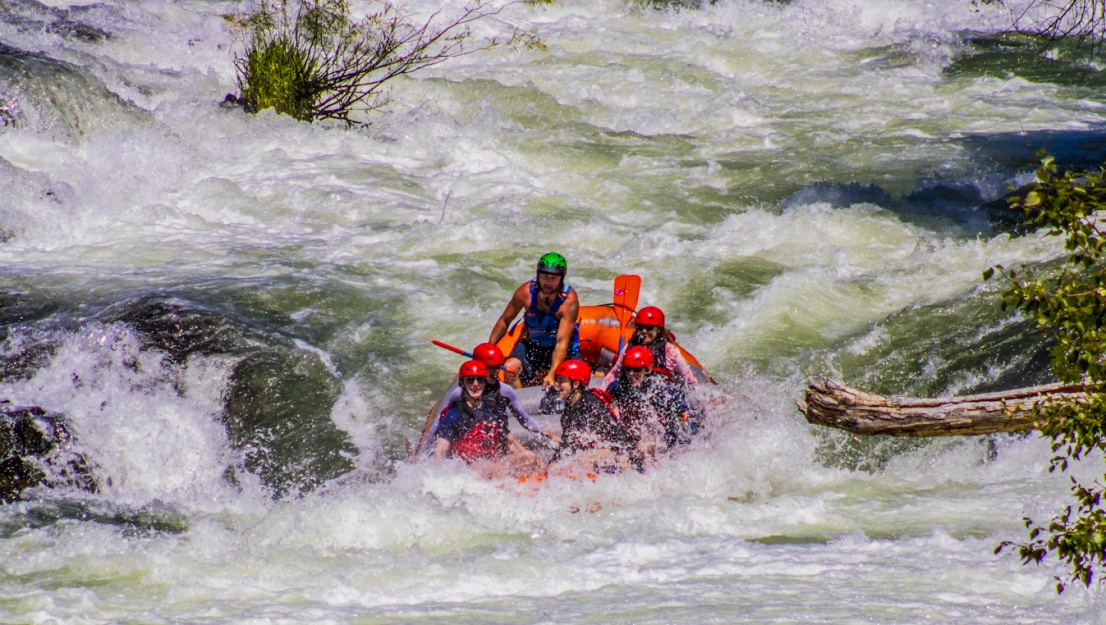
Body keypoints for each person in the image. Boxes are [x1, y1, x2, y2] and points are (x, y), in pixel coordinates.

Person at [430, 360, 544, 478]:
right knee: (487, 466)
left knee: (528, 456)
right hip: (466, 470)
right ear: (462, 384)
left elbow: (511, 443)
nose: (475, 384)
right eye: (470, 380)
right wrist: (436, 477)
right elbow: (440, 450)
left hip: (491, 466)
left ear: (485, 383)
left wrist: (537, 463)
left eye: (480, 380)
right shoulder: (454, 414)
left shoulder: (494, 411)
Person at [489, 252, 580, 389]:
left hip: (559, 348)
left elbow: (562, 343)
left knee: (569, 381)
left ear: (562, 278)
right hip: (531, 344)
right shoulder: (525, 293)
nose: (548, 283)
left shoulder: (569, 302)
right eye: (544, 277)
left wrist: (552, 373)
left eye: (553, 278)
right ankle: (518, 405)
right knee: (509, 368)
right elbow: (504, 321)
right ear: (538, 275)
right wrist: (489, 349)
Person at [441, 343, 561, 444]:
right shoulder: (460, 393)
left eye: (498, 366)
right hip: (467, 441)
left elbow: (525, 420)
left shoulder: (505, 391)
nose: (496, 371)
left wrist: (548, 433)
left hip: (495, 440)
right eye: (491, 368)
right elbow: (441, 420)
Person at [548, 359, 639, 472]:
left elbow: (618, 436)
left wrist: (626, 458)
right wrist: (551, 465)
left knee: (583, 457)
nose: (556, 384)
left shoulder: (591, 404)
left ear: (575, 384)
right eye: (557, 380)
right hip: (597, 452)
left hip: (619, 451)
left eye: (561, 380)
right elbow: (567, 445)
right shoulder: (569, 410)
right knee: (558, 464)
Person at [607, 346, 696, 455]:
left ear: (648, 370)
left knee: (644, 446)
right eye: (628, 369)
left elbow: (682, 410)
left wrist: (684, 416)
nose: (630, 374)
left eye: (636, 370)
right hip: (633, 433)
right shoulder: (617, 387)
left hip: (663, 435)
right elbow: (605, 407)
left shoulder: (659, 389)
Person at [599, 306, 698, 392]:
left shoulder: (670, 351)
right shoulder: (630, 347)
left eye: (649, 328)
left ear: (658, 329)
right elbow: (615, 373)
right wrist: (601, 393)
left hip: (663, 395)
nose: (644, 331)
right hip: (635, 391)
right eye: (640, 327)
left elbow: (689, 379)